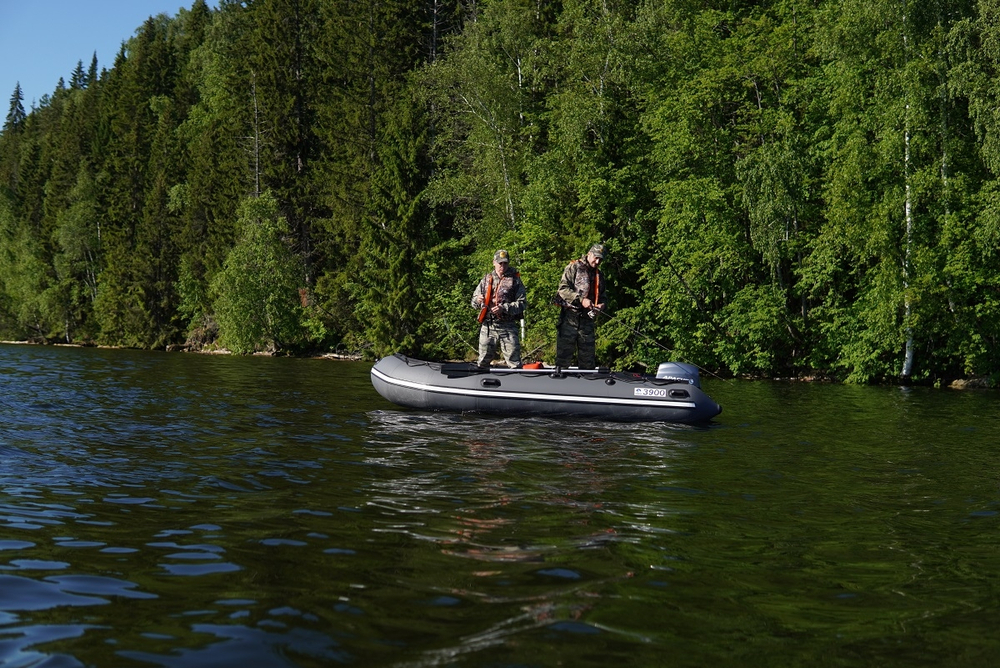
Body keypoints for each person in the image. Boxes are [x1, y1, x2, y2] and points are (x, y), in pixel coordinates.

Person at [554, 243, 607, 369]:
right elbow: (563, 290)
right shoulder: (574, 267)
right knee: (563, 359)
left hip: (587, 322)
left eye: (601, 259)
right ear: (589, 254)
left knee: (588, 361)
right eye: (596, 257)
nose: (598, 261)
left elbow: (604, 297)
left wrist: (601, 306)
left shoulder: (599, 275)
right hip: (569, 319)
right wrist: (581, 300)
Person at [471, 249, 526, 368]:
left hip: (508, 326)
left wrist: (504, 308)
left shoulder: (515, 280)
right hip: (488, 326)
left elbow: (522, 303)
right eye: (500, 263)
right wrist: (478, 300)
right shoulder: (486, 279)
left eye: (505, 263)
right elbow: (473, 301)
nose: (502, 266)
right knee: (483, 361)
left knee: (514, 362)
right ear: (494, 262)